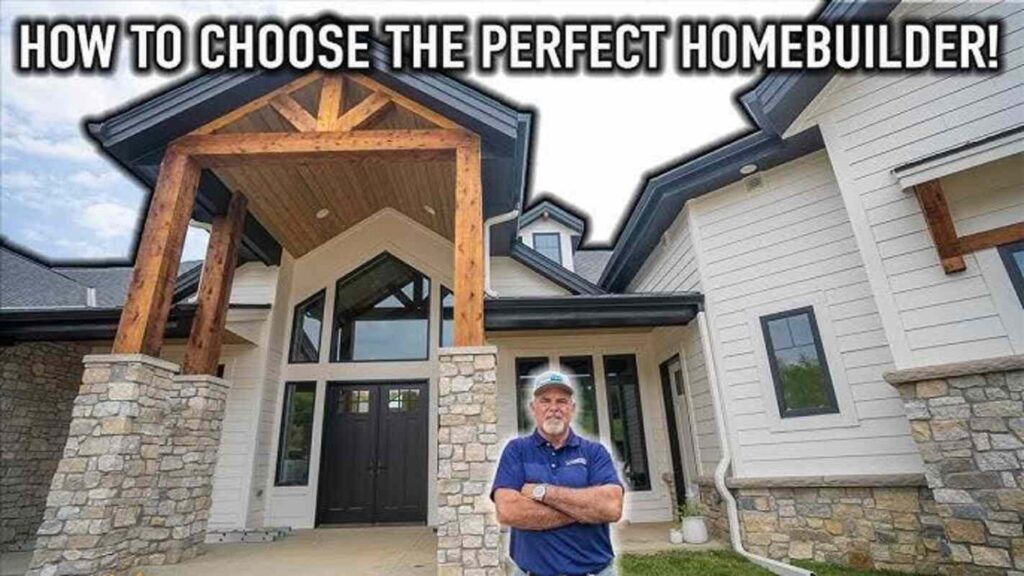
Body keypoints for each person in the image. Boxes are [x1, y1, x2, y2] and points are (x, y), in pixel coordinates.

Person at [491, 370, 625, 576]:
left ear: (572, 409)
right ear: (533, 408)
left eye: (562, 401)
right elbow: (508, 511)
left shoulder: (594, 452)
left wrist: (541, 492)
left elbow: (611, 507)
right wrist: (584, 510)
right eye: (545, 401)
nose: (554, 408)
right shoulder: (516, 450)